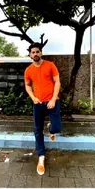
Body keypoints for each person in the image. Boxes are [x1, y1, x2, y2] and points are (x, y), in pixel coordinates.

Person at [24, 42, 62, 176]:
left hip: (52, 101)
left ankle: (51, 127)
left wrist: (53, 98)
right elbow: (28, 86)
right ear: (30, 55)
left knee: (57, 128)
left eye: (37, 51)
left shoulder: (50, 65)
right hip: (38, 103)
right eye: (33, 52)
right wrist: (33, 97)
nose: (35, 54)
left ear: (41, 53)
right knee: (37, 130)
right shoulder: (28, 70)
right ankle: (41, 157)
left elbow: (57, 82)